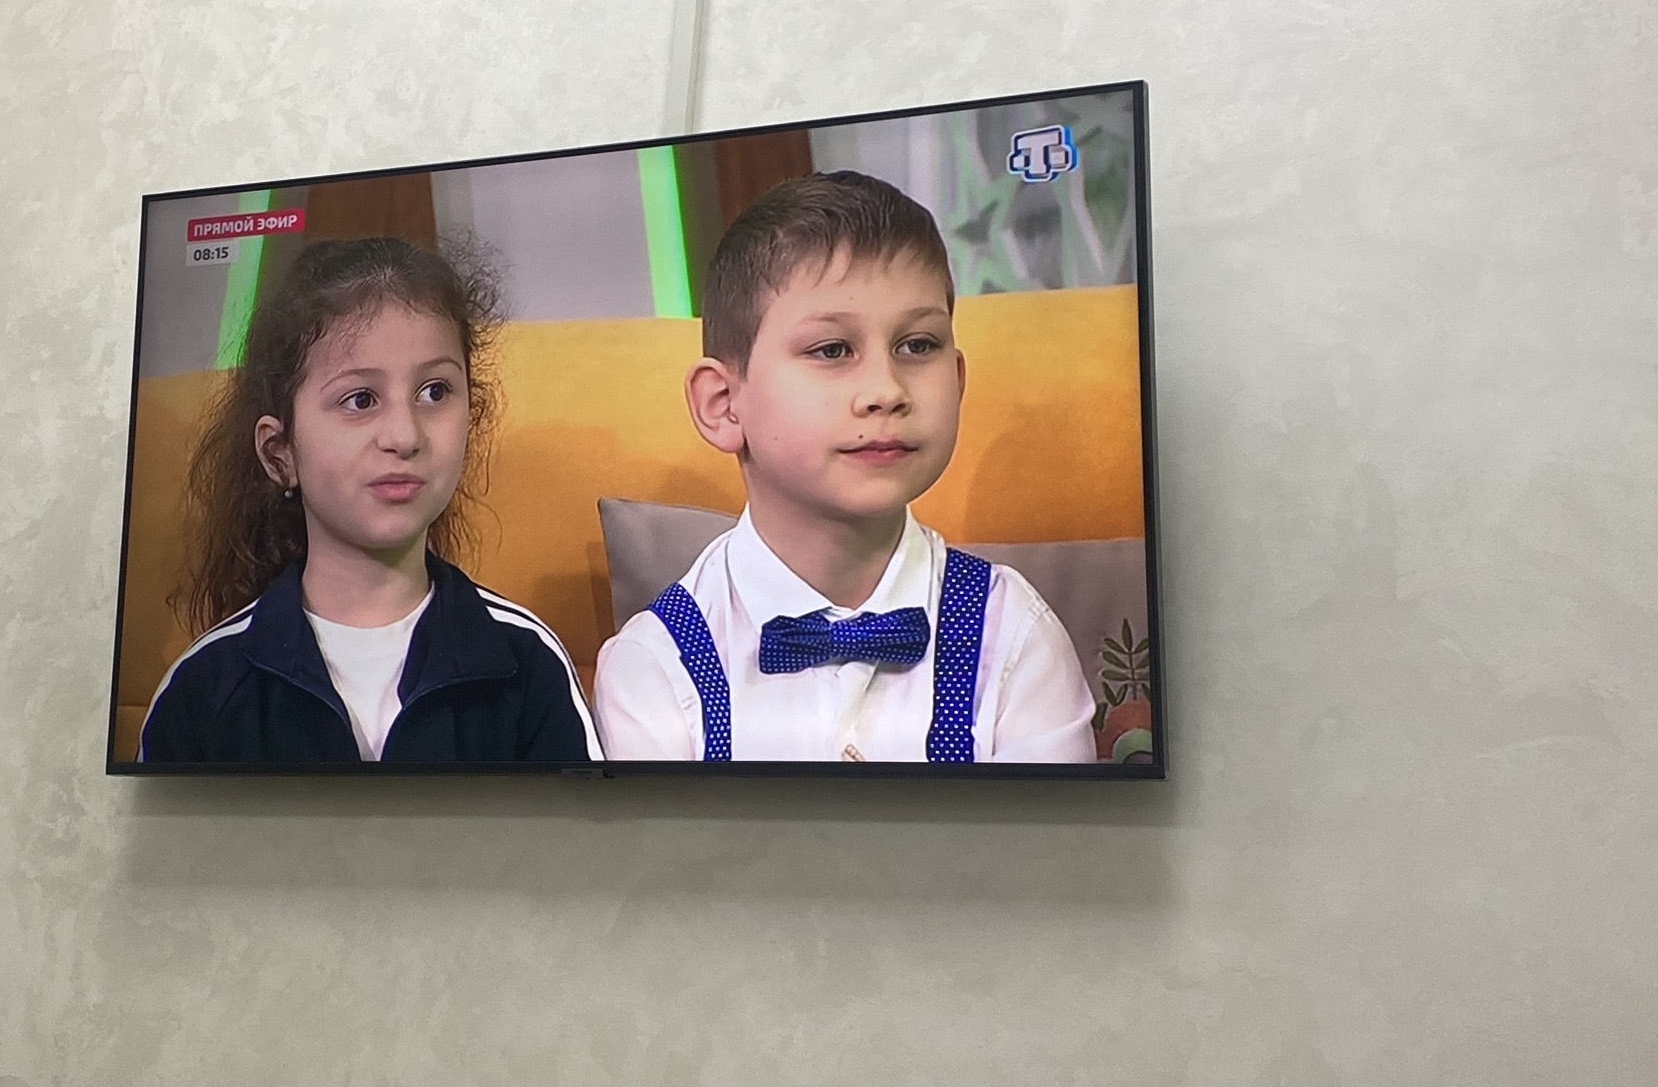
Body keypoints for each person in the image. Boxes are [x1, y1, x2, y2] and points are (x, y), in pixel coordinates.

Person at [592, 172, 1096, 762]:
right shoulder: (656, 668)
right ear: (724, 404)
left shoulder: (1013, 637)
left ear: (959, 381)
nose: (886, 391)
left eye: (917, 345)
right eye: (832, 350)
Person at [140, 236, 600, 764]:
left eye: (435, 392)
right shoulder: (202, 689)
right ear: (279, 453)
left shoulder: (529, 663)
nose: (404, 436)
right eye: (360, 399)